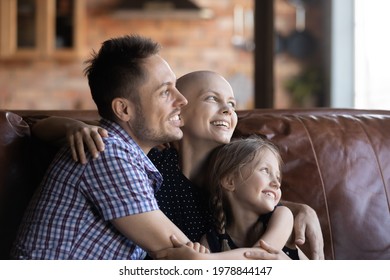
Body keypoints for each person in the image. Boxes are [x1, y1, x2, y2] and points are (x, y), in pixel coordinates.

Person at [31, 70, 324, 259]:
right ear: (178, 113)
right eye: (212, 99)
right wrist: (72, 127)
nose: (227, 109)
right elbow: (38, 128)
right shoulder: (146, 161)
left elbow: (256, 201)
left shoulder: (235, 175)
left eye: (232, 104)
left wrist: (294, 209)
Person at [11, 34, 202, 259]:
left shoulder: (116, 144)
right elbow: (186, 258)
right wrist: (252, 257)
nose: (182, 100)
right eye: (165, 92)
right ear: (123, 110)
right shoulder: (106, 150)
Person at [199, 136, 308, 260]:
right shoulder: (212, 241)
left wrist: (203, 260)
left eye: (278, 177)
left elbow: (259, 258)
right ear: (230, 181)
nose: (276, 183)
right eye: (265, 170)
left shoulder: (282, 216)